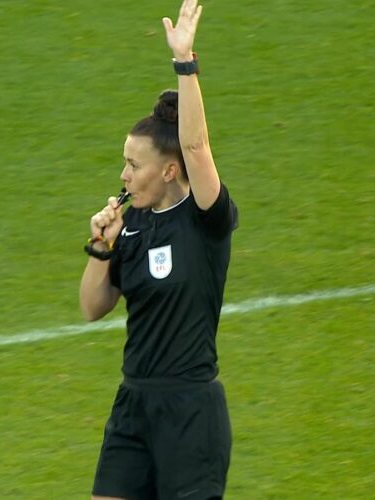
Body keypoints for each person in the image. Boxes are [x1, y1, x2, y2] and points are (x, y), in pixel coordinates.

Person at [79, 1, 238, 498]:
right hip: (133, 405)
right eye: (123, 162)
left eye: (134, 164)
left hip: (190, 413)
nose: (124, 175)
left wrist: (184, 62)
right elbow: (92, 308)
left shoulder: (204, 218)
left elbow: (195, 147)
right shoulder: (134, 226)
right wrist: (100, 248)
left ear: (168, 171)